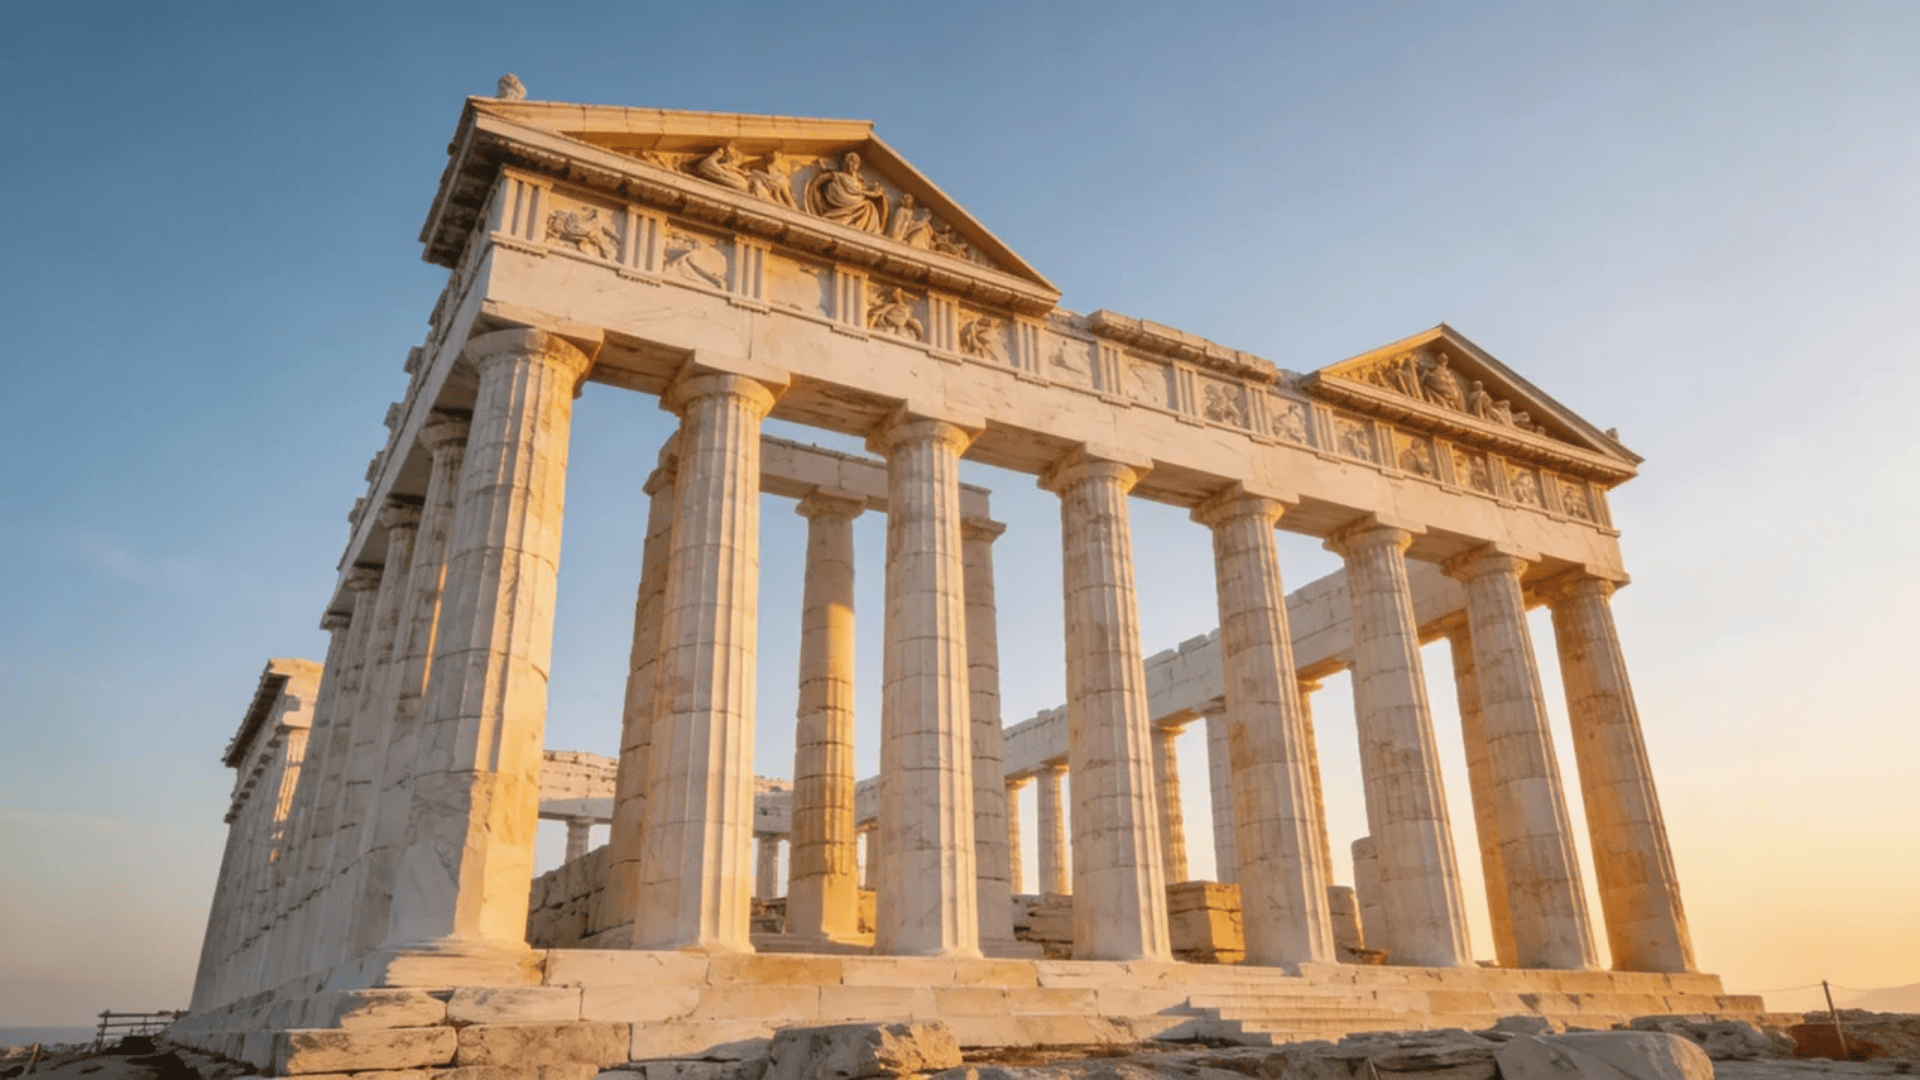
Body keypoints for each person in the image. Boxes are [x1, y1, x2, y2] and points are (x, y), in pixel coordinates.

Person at [811, 152, 886, 232]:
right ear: (845, 164)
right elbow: (821, 179)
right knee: (868, 206)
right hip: (842, 199)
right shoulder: (838, 175)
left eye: (855, 163)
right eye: (850, 161)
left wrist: (875, 191)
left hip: (854, 201)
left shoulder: (857, 181)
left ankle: (857, 224)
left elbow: (860, 191)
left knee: (870, 207)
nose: (852, 165)